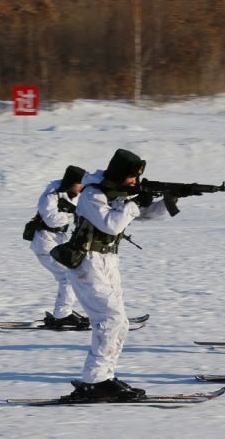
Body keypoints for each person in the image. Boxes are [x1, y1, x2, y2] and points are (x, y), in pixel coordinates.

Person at [50, 149, 186, 401]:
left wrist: (170, 200)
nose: (135, 182)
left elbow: (143, 215)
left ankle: (105, 376)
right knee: (110, 318)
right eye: (132, 177)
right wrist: (134, 203)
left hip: (107, 262)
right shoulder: (92, 194)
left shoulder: (116, 194)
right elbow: (111, 224)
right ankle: (95, 381)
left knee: (119, 322)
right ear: (119, 174)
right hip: (86, 263)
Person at [27, 165, 88, 329]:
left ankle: (64, 312)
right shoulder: (50, 196)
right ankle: (62, 314)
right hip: (44, 243)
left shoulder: (69, 194)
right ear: (71, 183)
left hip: (57, 241)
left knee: (71, 274)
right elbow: (52, 220)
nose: (81, 188)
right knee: (68, 276)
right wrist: (72, 213)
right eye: (79, 185)